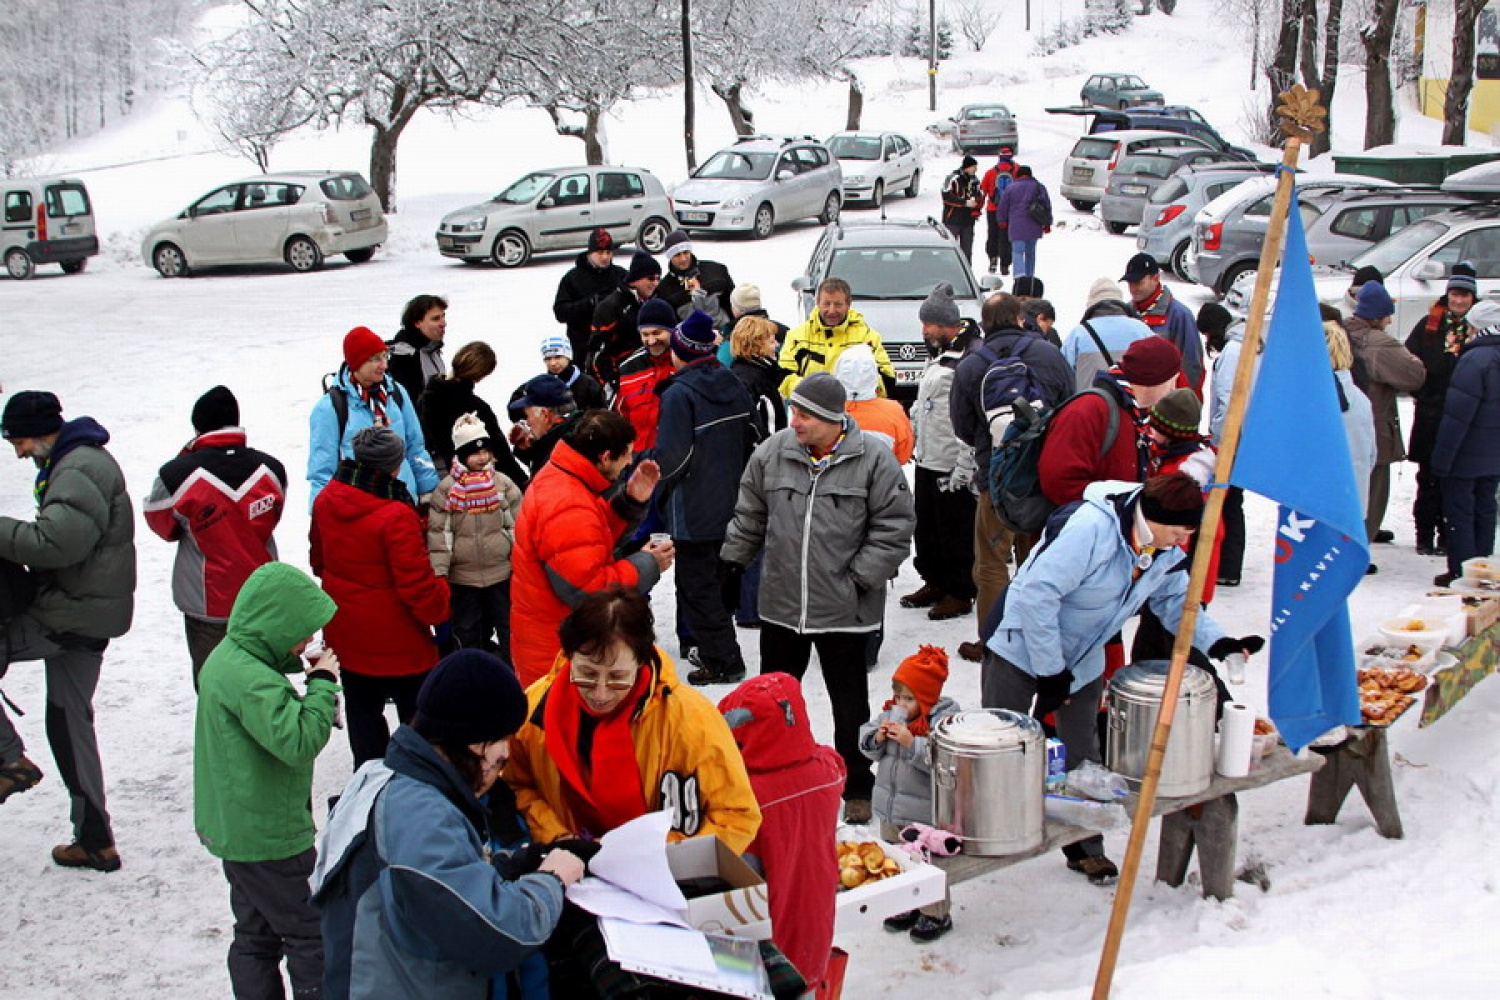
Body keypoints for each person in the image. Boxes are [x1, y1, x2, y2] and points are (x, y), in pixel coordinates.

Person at [983, 473, 1262, 885]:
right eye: (1179, 531)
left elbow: (1177, 605)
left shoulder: (1163, 550)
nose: (1183, 540)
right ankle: (992, 831)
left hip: (1083, 655)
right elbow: (1037, 595)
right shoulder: (1091, 529)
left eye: (1189, 533)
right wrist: (1050, 669)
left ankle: (1086, 848)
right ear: (1155, 517)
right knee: (1002, 743)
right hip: (1019, 642)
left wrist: (1219, 643)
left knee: (1084, 756)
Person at [313, 650, 584, 1000]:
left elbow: (430, 888)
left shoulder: (379, 776)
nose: (503, 760)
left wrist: (515, 865)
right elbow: (499, 935)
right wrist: (553, 878)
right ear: (475, 745)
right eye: (501, 750)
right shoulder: (418, 816)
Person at [721, 373, 915, 824]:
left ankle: (858, 784)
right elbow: (750, 512)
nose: (795, 421)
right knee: (772, 704)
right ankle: (770, 779)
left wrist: (859, 579)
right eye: (794, 411)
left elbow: (895, 526)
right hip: (782, 606)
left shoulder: (873, 460)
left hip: (844, 609)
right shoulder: (773, 453)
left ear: (832, 419)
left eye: (805, 414)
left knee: (849, 704)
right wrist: (732, 562)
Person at [506, 586, 761, 850]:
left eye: (617, 677)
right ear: (569, 656)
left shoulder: (691, 720)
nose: (600, 693)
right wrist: (557, 837)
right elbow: (515, 785)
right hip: (563, 863)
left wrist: (648, 853)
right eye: (587, 674)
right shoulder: (533, 710)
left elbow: (736, 816)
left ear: (641, 661)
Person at [0, 391, 135, 872]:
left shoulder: (78, 468)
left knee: (69, 722)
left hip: (70, 613)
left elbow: (56, 544)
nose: (18, 453)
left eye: (17, 441)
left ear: (38, 432)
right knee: (69, 724)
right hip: (89, 612)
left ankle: (8, 760)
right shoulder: (76, 461)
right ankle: (96, 841)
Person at [194, 562, 341, 1000]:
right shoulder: (253, 681)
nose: (307, 641)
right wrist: (322, 684)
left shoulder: (229, 658)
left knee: (255, 935)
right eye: (301, 632)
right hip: (271, 836)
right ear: (275, 624)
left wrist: (304, 673)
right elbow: (298, 740)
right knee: (310, 933)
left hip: (236, 829)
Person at [310, 427, 451, 766]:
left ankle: (369, 780)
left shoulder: (327, 499)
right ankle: (418, 775)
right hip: (399, 640)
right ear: (395, 465)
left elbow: (318, 561)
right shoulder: (396, 514)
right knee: (417, 720)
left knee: (363, 716)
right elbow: (416, 587)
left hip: (347, 633)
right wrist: (441, 608)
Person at [949, 292, 1073, 662]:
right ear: (1020, 319)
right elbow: (1069, 404)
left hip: (997, 478)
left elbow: (962, 426)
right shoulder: (1049, 354)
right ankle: (1037, 636)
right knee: (1038, 559)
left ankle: (992, 643)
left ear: (984, 325)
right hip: (1042, 476)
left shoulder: (971, 365)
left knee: (990, 562)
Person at [509, 411, 671, 687]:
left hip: (557, 643)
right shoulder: (566, 500)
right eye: (626, 454)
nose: (630, 461)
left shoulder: (565, 477)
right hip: (558, 657)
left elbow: (584, 541)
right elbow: (586, 589)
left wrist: (629, 503)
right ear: (605, 456)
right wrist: (647, 564)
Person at [144, 385, 286, 688]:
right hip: (261, 600)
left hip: (207, 606)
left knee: (214, 690)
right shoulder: (272, 470)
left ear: (198, 427)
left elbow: (161, 525)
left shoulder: (176, 475)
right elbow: (271, 519)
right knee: (264, 687)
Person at [718, 672, 844, 992]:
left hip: (764, 943)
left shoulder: (744, 796)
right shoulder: (826, 771)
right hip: (815, 926)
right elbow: (833, 761)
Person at [654, 310, 757, 686]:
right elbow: (753, 438)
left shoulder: (679, 395)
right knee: (720, 581)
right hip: (733, 501)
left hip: (693, 509)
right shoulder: (733, 383)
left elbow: (673, 459)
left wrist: (650, 476)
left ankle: (723, 659)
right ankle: (717, 648)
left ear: (681, 351)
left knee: (697, 587)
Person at [859, 645, 958, 941]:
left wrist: (912, 743)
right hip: (890, 808)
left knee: (924, 863)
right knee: (895, 858)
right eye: (898, 696)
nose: (901, 704)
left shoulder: (942, 722)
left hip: (922, 814)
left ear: (926, 698)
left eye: (909, 699)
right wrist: (876, 738)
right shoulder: (890, 714)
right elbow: (866, 744)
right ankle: (904, 903)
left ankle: (935, 912)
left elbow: (944, 761)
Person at [905, 283, 982, 623]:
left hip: (951, 460)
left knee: (955, 530)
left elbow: (965, 416)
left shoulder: (966, 359)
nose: (925, 330)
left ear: (948, 324)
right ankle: (935, 581)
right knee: (928, 528)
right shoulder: (940, 354)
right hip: (928, 456)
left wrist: (964, 464)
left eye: (930, 324)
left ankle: (959, 591)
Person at [1039, 335, 1184, 508]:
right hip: (1084, 522)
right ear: (1154, 379)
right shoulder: (1088, 410)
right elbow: (1058, 483)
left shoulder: (1136, 413)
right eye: (1172, 381)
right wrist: (1114, 509)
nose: (1174, 389)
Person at [309, 326, 438, 510]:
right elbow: (322, 469)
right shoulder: (331, 407)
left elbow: (415, 447)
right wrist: (322, 512)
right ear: (357, 363)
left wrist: (428, 492)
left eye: (385, 356)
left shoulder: (396, 393)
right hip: (359, 509)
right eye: (375, 359)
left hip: (403, 500)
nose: (384, 365)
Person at [428, 414, 524, 658]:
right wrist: (440, 572)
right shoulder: (447, 490)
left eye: (485, 452)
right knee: (467, 629)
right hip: (463, 577)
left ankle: (512, 669)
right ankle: (470, 668)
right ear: (461, 455)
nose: (482, 458)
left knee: (509, 626)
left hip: (501, 572)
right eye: (474, 453)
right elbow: (440, 535)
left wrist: (520, 561)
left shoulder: (502, 484)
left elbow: (517, 526)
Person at [1345, 280, 1425, 559]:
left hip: (1342, 429)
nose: (1390, 321)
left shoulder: (1341, 332)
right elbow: (1414, 375)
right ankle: (1357, 553)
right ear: (1378, 315)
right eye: (1388, 314)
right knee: (1373, 496)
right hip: (1375, 430)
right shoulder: (1380, 343)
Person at [1406, 263, 1480, 556]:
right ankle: (1424, 535)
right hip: (1432, 416)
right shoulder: (1429, 326)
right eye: (1455, 294)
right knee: (1428, 479)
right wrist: (1424, 395)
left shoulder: (1479, 329)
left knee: (1456, 480)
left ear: (1473, 298)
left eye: (1465, 295)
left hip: (1465, 418)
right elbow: (1409, 364)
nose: (1459, 301)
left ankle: (1449, 536)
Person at [1431, 307, 1500, 586]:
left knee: (1460, 512)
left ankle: (1462, 570)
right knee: (1486, 508)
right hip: (1494, 451)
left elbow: (1458, 415)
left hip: (1466, 451)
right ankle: (1482, 567)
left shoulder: (1474, 360)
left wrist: (1441, 459)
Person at [419, 341, 530, 488]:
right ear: (481, 374)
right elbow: (500, 453)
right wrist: (523, 482)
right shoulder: (475, 408)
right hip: (473, 484)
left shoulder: (426, 399)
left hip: (435, 475)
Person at [779, 277, 896, 398]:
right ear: (818, 302)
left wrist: (856, 391)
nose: (831, 310)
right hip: (811, 406)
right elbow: (782, 377)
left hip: (855, 406)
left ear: (848, 304)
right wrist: (814, 391)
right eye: (826, 304)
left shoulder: (867, 337)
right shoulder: (797, 337)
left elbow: (888, 379)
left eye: (838, 305)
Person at [1201, 301, 1245, 585]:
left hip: (1230, 441)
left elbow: (1229, 402)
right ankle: (1229, 565)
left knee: (1228, 502)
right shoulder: (1242, 346)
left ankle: (1227, 566)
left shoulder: (1230, 353)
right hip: (1239, 437)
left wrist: (1217, 437)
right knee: (1232, 501)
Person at [1123, 252, 1205, 397]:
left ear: (1155, 278)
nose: (1133, 288)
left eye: (1138, 283)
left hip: (1168, 400)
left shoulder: (1179, 315)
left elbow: (1192, 364)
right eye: (1130, 283)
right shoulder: (1126, 313)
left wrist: (1186, 401)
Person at [1324, 311, 1376, 514]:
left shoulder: (1315, 399)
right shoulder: (1360, 398)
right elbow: (1371, 454)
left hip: (1317, 504)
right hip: (1352, 501)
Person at [1059, 286, 1155, 393]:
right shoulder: (1142, 330)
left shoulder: (1078, 334)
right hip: (1135, 402)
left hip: (1091, 401)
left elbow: (1062, 377)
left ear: (1091, 305)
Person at [588, 250, 662, 387]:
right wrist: (612, 382)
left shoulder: (658, 301)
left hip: (655, 373)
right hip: (626, 376)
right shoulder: (610, 307)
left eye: (658, 278)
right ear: (635, 279)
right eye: (651, 278)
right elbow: (597, 352)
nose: (655, 283)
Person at [613, 297, 679, 451]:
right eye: (645, 334)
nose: (651, 341)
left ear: (672, 331)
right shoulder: (628, 368)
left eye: (657, 333)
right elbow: (620, 419)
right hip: (639, 457)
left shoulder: (684, 362)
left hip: (677, 456)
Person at [834, 344, 914, 464]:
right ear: (874, 374)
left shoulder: (826, 411)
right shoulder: (893, 411)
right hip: (883, 474)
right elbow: (903, 455)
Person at [554, 228, 626, 359]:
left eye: (608, 252)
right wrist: (589, 303)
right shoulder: (572, 278)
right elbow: (560, 312)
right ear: (590, 252)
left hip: (617, 346)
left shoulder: (621, 275)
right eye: (600, 252)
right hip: (584, 347)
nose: (605, 257)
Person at [656, 229, 736, 329]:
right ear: (670, 257)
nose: (683, 258)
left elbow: (733, 303)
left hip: (723, 331)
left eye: (686, 252)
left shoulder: (716, 271)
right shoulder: (664, 289)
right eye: (677, 255)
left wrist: (731, 329)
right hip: (690, 336)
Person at [507, 374, 579, 478]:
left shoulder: (560, 454)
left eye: (527, 416)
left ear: (544, 414)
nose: (528, 422)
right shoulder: (575, 431)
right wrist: (527, 448)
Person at [388, 294, 448, 404]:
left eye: (443, 317)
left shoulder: (432, 348)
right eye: (435, 319)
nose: (443, 323)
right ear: (417, 323)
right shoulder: (404, 357)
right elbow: (408, 404)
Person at [993, 165, 1051, 279]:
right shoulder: (1038, 186)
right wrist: (1047, 222)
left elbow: (1003, 205)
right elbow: (1046, 205)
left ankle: (1019, 277)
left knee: (1017, 252)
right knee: (1030, 252)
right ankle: (1029, 276)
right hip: (1034, 223)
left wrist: (1002, 220)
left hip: (1016, 225)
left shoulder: (1011, 187)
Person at [533, 334, 606, 412]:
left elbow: (603, 415)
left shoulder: (589, 384)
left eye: (558, 357)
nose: (553, 363)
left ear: (568, 356)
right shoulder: (539, 385)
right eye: (548, 359)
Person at [979, 146, 1018, 275]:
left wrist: (977, 208)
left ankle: (993, 259)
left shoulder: (991, 172)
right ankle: (1005, 264)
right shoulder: (1017, 170)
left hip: (993, 209)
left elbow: (982, 191)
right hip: (1010, 210)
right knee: (1006, 237)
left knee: (993, 235)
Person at [940, 155, 982, 266]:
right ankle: (947, 269)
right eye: (974, 167)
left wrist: (977, 207)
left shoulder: (975, 181)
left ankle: (966, 271)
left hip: (968, 221)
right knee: (949, 249)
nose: (976, 169)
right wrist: (964, 203)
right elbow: (946, 197)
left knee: (967, 251)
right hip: (952, 220)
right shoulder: (953, 179)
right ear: (967, 167)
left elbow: (979, 196)